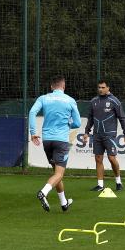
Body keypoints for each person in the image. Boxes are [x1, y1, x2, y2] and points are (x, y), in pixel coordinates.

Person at [29, 75, 81, 212]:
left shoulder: (44, 98)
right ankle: (43, 192)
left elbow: (32, 112)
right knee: (59, 174)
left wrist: (33, 132)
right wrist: (67, 123)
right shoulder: (70, 100)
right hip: (61, 141)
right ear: (63, 86)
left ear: (52, 87)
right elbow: (77, 123)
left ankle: (64, 203)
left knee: (56, 173)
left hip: (47, 141)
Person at [83, 79, 125, 192]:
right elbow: (90, 119)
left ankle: (118, 181)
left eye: (103, 87)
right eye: (99, 87)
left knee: (111, 158)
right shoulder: (94, 101)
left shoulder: (114, 101)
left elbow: (122, 118)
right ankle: (100, 185)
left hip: (110, 135)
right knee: (98, 158)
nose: (100, 89)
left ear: (108, 88)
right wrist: (86, 132)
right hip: (97, 135)